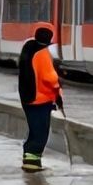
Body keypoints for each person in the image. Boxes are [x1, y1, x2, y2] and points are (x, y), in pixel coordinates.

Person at [17, 25, 62, 171]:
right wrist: (58, 90)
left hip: (27, 97)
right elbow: (49, 77)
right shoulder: (42, 53)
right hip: (40, 99)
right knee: (40, 132)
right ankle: (32, 165)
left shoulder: (28, 49)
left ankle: (28, 161)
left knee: (34, 130)